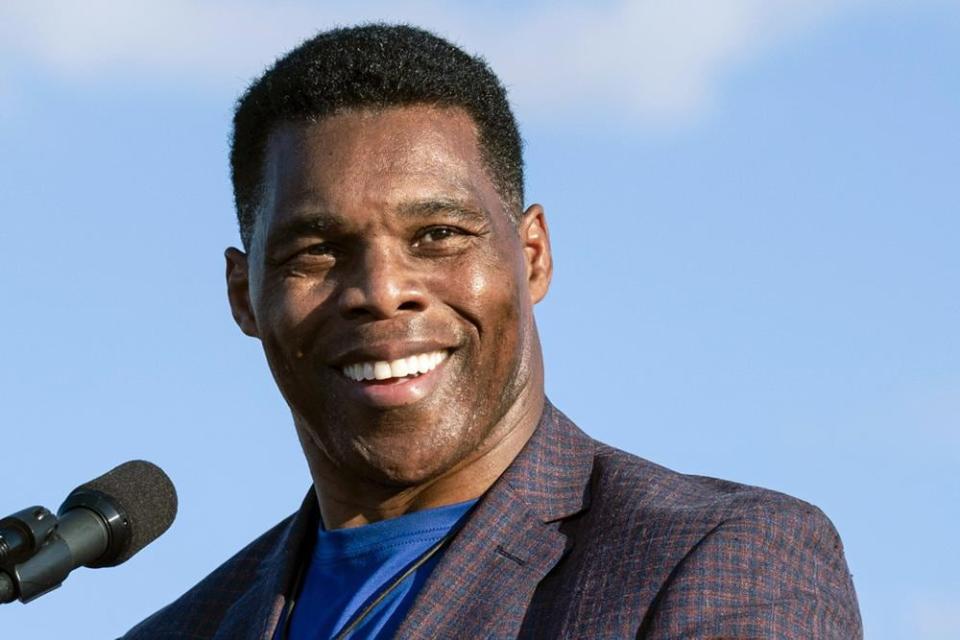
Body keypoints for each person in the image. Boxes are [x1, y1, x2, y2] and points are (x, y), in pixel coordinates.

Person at [123, 24, 862, 639]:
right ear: (242, 296)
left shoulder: (718, 558)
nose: (383, 292)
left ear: (532, 255)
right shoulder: (181, 630)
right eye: (316, 251)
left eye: (439, 234)